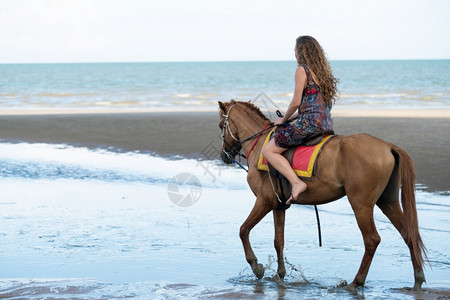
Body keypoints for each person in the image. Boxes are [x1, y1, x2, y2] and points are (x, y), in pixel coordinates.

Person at [262, 35, 339, 204]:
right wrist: (290, 118)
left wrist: (283, 120)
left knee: (268, 151)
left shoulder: (302, 70)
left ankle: (296, 183)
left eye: (295, 50)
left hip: (308, 126)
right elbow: (312, 108)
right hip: (325, 125)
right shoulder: (322, 74)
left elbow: (296, 102)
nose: (294, 53)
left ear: (301, 52)